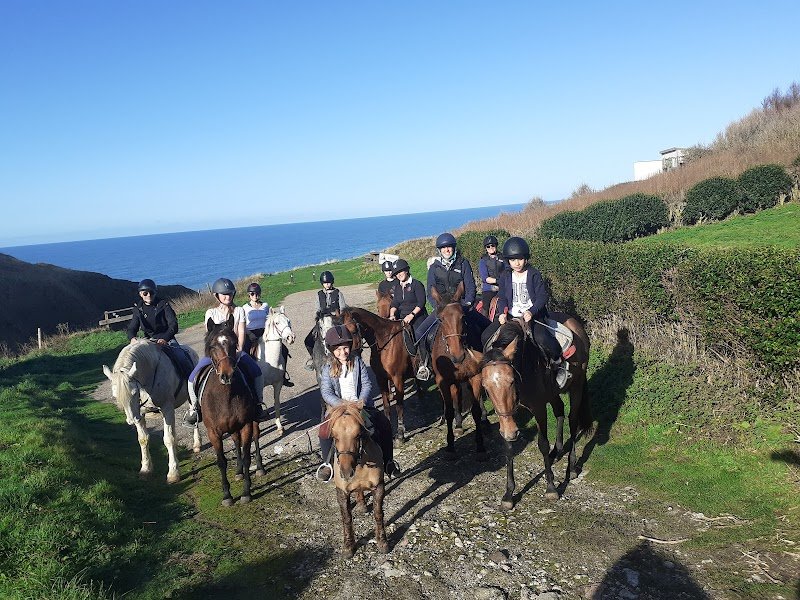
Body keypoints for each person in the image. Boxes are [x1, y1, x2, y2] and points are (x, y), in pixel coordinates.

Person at [481, 237, 571, 387]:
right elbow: (502, 297)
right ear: (508, 260)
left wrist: (532, 311)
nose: (517, 263)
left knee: (542, 338)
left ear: (526, 259)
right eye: (513, 260)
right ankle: (492, 370)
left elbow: (542, 296)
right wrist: (502, 313)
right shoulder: (505, 276)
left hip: (532, 316)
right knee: (485, 336)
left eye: (520, 259)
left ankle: (558, 363)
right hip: (511, 316)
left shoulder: (534, 274)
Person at [316, 325, 399, 480]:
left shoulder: (358, 362)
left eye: (345, 348)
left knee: (384, 424)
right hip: (338, 408)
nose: (343, 352)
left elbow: (367, 384)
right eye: (338, 349)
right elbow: (326, 391)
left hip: (360, 406)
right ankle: (327, 464)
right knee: (323, 432)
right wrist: (341, 404)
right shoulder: (327, 367)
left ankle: (388, 461)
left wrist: (361, 401)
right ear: (331, 350)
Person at [185, 278, 267, 425]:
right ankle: (194, 409)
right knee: (192, 378)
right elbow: (210, 338)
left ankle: (258, 403)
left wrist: (239, 350)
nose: (227, 297)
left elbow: (241, 332)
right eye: (224, 294)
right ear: (217, 296)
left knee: (257, 372)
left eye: (229, 294)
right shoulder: (211, 313)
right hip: (216, 355)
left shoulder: (239, 311)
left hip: (235, 352)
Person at [412, 232, 489, 379]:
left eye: (449, 247)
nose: (447, 250)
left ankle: (490, 360)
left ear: (453, 248)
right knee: (420, 333)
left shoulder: (463, 263)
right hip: (442, 309)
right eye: (444, 248)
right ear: (440, 250)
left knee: (488, 326)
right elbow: (430, 290)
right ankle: (425, 364)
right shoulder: (434, 268)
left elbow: (470, 286)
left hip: (461, 307)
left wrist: (466, 304)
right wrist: (438, 307)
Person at [127, 278, 193, 378]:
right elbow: (132, 328)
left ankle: (191, 383)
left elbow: (173, 325)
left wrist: (165, 339)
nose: (149, 295)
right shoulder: (138, 309)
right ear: (140, 294)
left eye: (151, 292)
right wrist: (132, 338)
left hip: (167, 339)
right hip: (149, 341)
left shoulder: (164, 304)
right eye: (145, 293)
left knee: (181, 357)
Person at [240, 281, 293, 387]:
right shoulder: (244, 308)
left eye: (257, 293)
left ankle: (282, 375)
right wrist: (250, 334)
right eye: (252, 294)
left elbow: (270, 321)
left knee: (284, 350)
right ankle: (246, 379)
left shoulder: (265, 306)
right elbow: (243, 324)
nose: (255, 296)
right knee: (244, 354)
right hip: (251, 334)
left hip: (265, 333)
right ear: (249, 295)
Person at [304, 271, 348, 370]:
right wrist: (317, 316)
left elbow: (343, 308)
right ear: (322, 284)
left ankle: (351, 356)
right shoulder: (319, 294)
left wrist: (337, 316)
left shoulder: (338, 293)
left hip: (335, 321)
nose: (327, 284)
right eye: (325, 283)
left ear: (332, 282)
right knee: (307, 341)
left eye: (328, 282)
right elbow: (317, 309)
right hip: (322, 321)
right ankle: (313, 359)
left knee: (349, 337)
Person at [388, 259, 427, 327]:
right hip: (402, 317)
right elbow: (395, 303)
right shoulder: (397, 287)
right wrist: (392, 315)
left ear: (406, 270)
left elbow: (421, 302)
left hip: (417, 317)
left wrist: (412, 315)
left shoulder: (417, 284)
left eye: (400, 271)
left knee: (418, 335)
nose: (399, 275)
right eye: (396, 273)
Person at [478, 235, 505, 318]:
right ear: (486, 248)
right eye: (488, 246)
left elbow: (508, 271)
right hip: (489, 289)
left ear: (496, 245)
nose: (491, 248)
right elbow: (485, 278)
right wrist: (497, 281)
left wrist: (504, 281)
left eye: (492, 245)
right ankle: (484, 324)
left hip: (504, 286)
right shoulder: (483, 261)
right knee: (486, 306)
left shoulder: (504, 258)